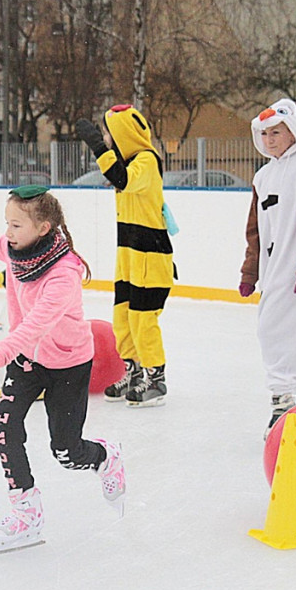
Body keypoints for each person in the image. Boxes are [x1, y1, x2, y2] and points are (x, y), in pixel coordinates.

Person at [0, 158, 125, 555]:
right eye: (7, 223)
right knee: (6, 427)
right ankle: (26, 513)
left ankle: (105, 456)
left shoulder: (64, 274)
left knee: (66, 452)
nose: (7, 233)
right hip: (27, 362)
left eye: (16, 225)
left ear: (42, 228)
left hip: (67, 365)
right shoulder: (16, 251)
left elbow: (31, 327)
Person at [239, 98, 296, 439]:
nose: (270, 140)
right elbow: (256, 230)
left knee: (276, 330)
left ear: (292, 131)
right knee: (291, 333)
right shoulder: (263, 176)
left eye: (276, 132)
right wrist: (250, 271)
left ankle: (282, 401)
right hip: (274, 267)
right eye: (264, 134)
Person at [75, 105, 174, 407]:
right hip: (129, 256)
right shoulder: (130, 161)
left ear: (122, 134)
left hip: (150, 256)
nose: (105, 137)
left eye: (107, 132)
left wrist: (95, 146)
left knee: (143, 320)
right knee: (122, 318)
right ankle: (133, 371)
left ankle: (156, 379)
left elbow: (123, 179)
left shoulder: (146, 161)